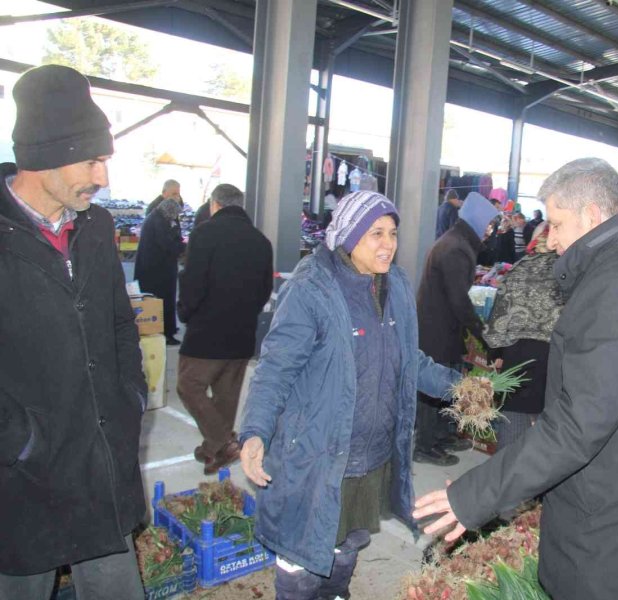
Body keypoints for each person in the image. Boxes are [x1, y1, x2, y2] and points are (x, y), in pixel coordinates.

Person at [413, 157, 618, 599]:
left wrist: (474, 495)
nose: (550, 239)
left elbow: (580, 423)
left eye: (556, 224)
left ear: (592, 216)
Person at [238, 191, 461, 600]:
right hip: (316, 457)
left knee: (348, 545)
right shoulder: (312, 289)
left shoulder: (394, 283)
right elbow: (275, 368)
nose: (388, 243)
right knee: (302, 559)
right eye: (376, 233)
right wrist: (255, 430)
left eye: (392, 232)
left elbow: (407, 358)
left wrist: (460, 387)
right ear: (348, 235)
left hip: (370, 456)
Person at [0, 64, 147, 600]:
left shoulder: (96, 227)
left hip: (100, 463)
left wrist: (130, 396)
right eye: (93, 160)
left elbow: (118, 324)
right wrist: (22, 441)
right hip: (22, 476)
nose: (103, 177)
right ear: (44, 159)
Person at [176, 183, 273, 475]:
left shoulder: (205, 234)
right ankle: (213, 450)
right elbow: (264, 289)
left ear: (214, 205)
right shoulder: (260, 241)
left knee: (188, 386)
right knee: (226, 396)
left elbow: (193, 282)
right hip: (242, 333)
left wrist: (185, 312)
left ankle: (223, 442)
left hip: (206, 333)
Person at [415, 191, 499, 466]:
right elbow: (459, 301)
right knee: (433, 386)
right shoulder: (456, 248)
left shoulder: (458, 242)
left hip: (442, 328)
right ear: (475, 220)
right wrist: (482, 333)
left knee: (448, 382)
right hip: (437, 329)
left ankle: (442, 435)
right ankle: (425, 445)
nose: (489, 230)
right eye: (487, 223)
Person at [483, 224, 563, 450]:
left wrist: (495, 353)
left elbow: (499, 316)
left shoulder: (519, 269)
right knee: (548, 433)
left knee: (512, 427)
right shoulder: (567, 272)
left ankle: (506, 480)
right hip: (553, 359)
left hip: (517, 357)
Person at [135, 198, 185, 345]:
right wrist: (185, 247)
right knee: (162, 302)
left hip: (154, 269)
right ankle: (164, 333)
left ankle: (161, 332)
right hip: (157, 271)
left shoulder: (156, 217)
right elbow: (167, 244)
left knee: (156, 302)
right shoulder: (158, 221)